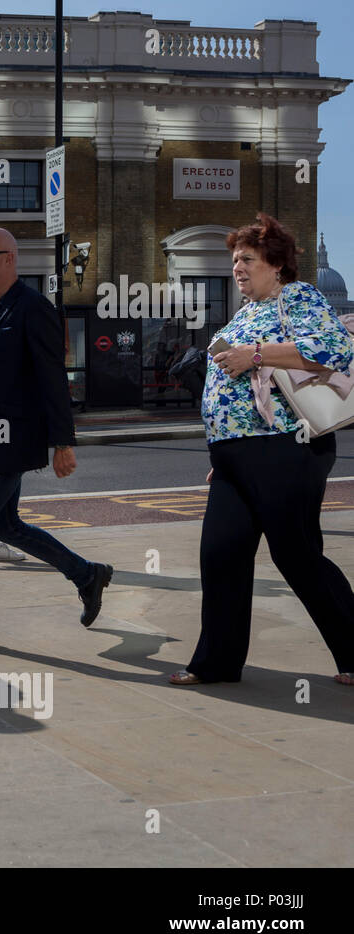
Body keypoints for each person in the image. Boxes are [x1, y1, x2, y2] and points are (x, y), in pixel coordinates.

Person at [170, 212, 354, 687]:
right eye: (234, 260)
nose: (238, 268)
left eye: (247, 259)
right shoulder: (246, 313)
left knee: (297, 556)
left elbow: (335, 349)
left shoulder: (299, 297)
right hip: (235, 457)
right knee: (221, 554)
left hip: (286, 450)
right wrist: (225, 449)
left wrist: (256, 354)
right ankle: (216, 664)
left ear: (276, 264)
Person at [0, 227, 113, 653]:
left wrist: (63, 443)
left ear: (8, 260)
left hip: (14, 434)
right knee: (4, 524)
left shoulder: (33, 309)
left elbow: (53, 378)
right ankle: (86, 574)